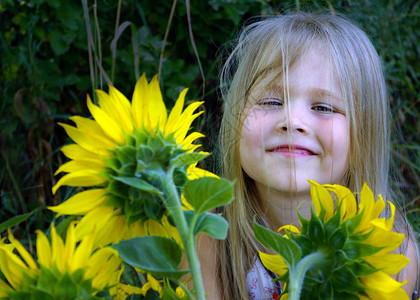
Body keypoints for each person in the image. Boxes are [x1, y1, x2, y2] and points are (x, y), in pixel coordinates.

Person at [195, 12, 419, 299]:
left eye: (323, 107)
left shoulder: (388, 248)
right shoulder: (209, 235)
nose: (291, 120)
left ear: (364, 134)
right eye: (271, 101)